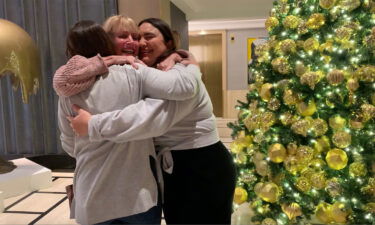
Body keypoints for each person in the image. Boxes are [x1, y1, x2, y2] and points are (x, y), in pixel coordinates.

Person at [58, 18, 237, 224]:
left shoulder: (177, 72)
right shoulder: (140, 73)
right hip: (166, 173)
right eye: (130, 36)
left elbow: (148, 116)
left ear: (169, 43)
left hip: (200, 165)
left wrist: (92, 125)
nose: (139, 43)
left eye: (146, 37)